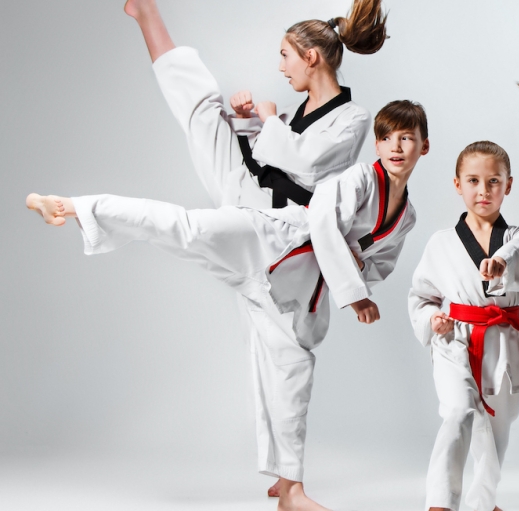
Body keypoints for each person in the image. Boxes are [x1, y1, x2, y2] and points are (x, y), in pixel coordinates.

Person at [26, 100, 430, 511]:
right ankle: (73, 205)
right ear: (376, 145)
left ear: (424, 147)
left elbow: (380, 264)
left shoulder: (407, 215)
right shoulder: (360, 177)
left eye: (406, 139)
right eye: (385, 138)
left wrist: (358, 275)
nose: (395, 147)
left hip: (296, 291)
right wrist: (355, 291)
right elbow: (323, 221)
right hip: (267, 241)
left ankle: (290, 489)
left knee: (294, 374)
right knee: (186, 228)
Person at [124, 0, 390, 498]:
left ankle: (286, 480)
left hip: (276, 225)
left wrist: (267, 122)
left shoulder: (353, 118)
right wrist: (249, 119)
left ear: (312, 57)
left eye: (286, 56)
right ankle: (146, 15)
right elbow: (276, 151)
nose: (281, 65)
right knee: (204, 110)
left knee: (283, 354)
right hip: (249, 190)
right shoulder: (296, 115)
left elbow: (307, 164)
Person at [408, 142, 519, 511]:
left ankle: (484, 503)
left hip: (502, 342)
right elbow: (422, 296)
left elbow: (518, 255)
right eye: (473, 181)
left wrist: (498, 262)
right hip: (454, 340)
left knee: (497, 430)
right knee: (459, 410)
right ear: (457, 184)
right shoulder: (441, 243)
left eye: (493, 181)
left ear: (508, 185)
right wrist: (430, 318)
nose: (483, 190)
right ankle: (440, 502)